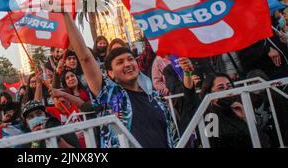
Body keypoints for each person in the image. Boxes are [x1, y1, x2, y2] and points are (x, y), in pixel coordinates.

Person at [62, 12, 178, 148]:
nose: (127, 64)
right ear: (110, 73)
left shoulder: (155, 98)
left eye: (130, 59)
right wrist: (65, 14)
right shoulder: (110, 97)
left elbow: (173, 135)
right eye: (120, 62)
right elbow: (85, 59)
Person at [179, 59, 270, 148]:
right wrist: (187, 73)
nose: (227, 90)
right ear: (209, 93)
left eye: (229, 86)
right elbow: (190, 95)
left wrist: (246, 118)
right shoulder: (205, 113)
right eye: (221, 87)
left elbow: (262, 141)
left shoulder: (239, 109)